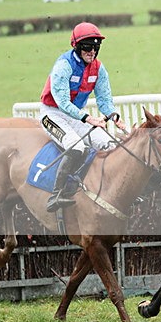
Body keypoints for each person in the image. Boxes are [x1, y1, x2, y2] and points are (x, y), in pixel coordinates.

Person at [39, 21, 127, 212]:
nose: (92, 51)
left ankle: (114, 190)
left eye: (96, 47)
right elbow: (63, 103)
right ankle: (56, 194)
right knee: (77, 147)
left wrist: (113, 116)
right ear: (76, 46)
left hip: (75, 116)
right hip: (52, 113)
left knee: (109, 144)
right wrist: (88, 118)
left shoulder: (99, 68)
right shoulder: (64, 65)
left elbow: (104, 100)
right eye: (87, 47)